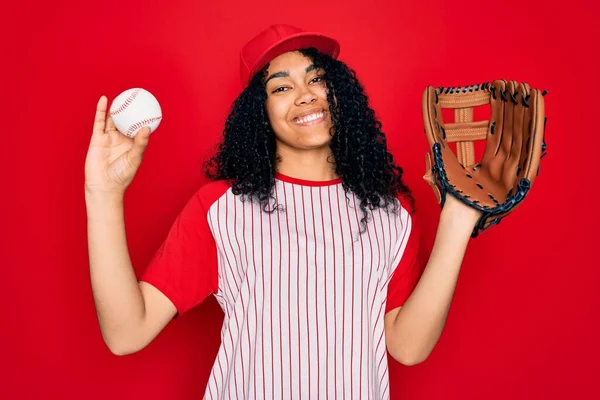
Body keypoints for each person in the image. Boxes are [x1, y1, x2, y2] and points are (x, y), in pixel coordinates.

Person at [85, 24, 481, 399]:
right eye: (281, 87)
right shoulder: (222, 209)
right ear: (261, 112)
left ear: (339, 91)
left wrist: (457, 220)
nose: (306, 94)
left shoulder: (390, 213)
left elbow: (408, 347)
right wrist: (103, 193)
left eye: (317, 78)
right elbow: (126, 333)